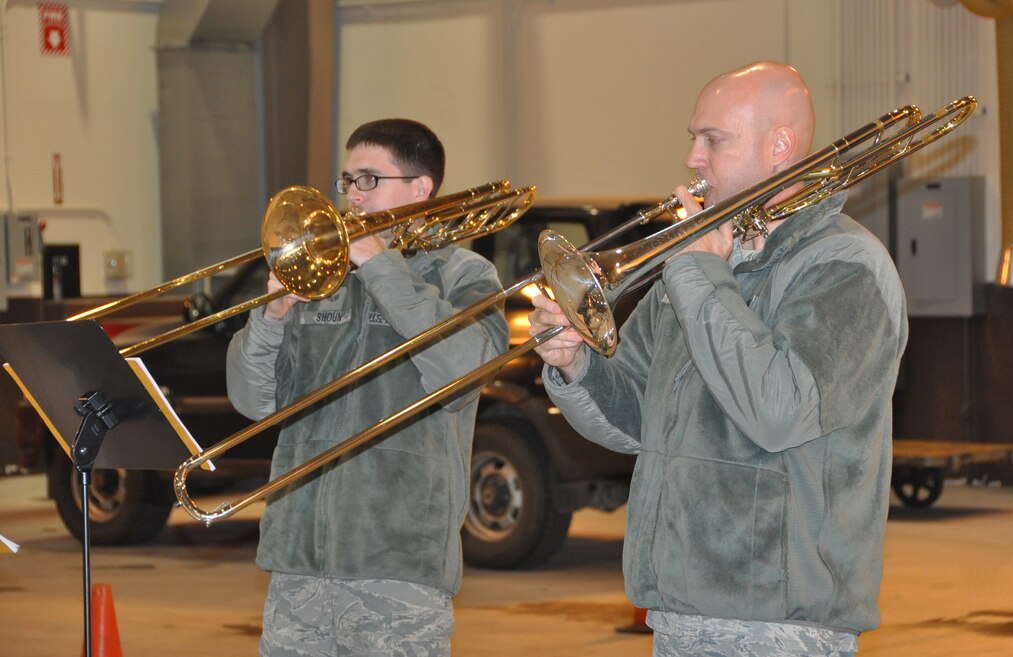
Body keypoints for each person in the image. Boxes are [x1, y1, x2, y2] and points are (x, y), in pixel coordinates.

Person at [528, 61, 907, 656]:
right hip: (679, 607)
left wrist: (695, 269)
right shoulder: (701, 268)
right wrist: (576, 364)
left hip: (780, 621)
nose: (692, 159)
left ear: (779, 146)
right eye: (693, 138)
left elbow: (779, 410)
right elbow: (634, 420)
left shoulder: (845, 266)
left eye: (713, 139)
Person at [227, 118, 509, 657]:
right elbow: (253, 402)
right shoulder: (319, 277)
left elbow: (461, 374)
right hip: (297, 561)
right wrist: (271, 315)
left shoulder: (464, 276)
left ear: (420, 189)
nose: (352, 196)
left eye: (369, 180)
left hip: (399, 566)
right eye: (347, 180)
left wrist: (382, 267)